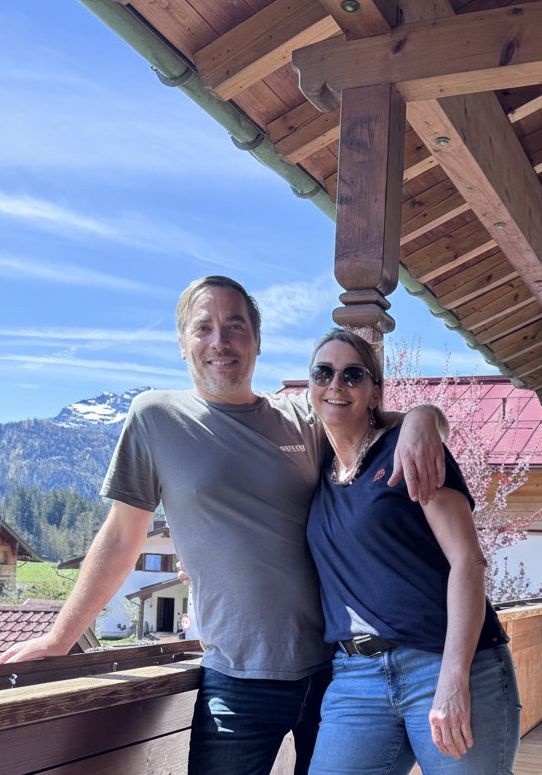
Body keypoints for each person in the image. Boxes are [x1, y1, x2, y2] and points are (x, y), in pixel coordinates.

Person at [0, 277, 448, 775]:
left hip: (335, 669)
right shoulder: (155, 418)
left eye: (235, 326)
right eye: (204, 328)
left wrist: (426, 417)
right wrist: (60, 639)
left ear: (256, 340)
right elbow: (123, 537)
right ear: (183, 343)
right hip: (236, 679)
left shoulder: (301, 418)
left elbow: (375, 424)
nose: (220, 341)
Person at [305, 328, 521, 775]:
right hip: (355, 678)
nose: (336, 385)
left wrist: (452, 677)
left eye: (353, 375)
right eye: (323, 372)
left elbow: (468, 559)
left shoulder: (408, 451)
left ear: (374, 392)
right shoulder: (317, 470)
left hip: (444, 664)